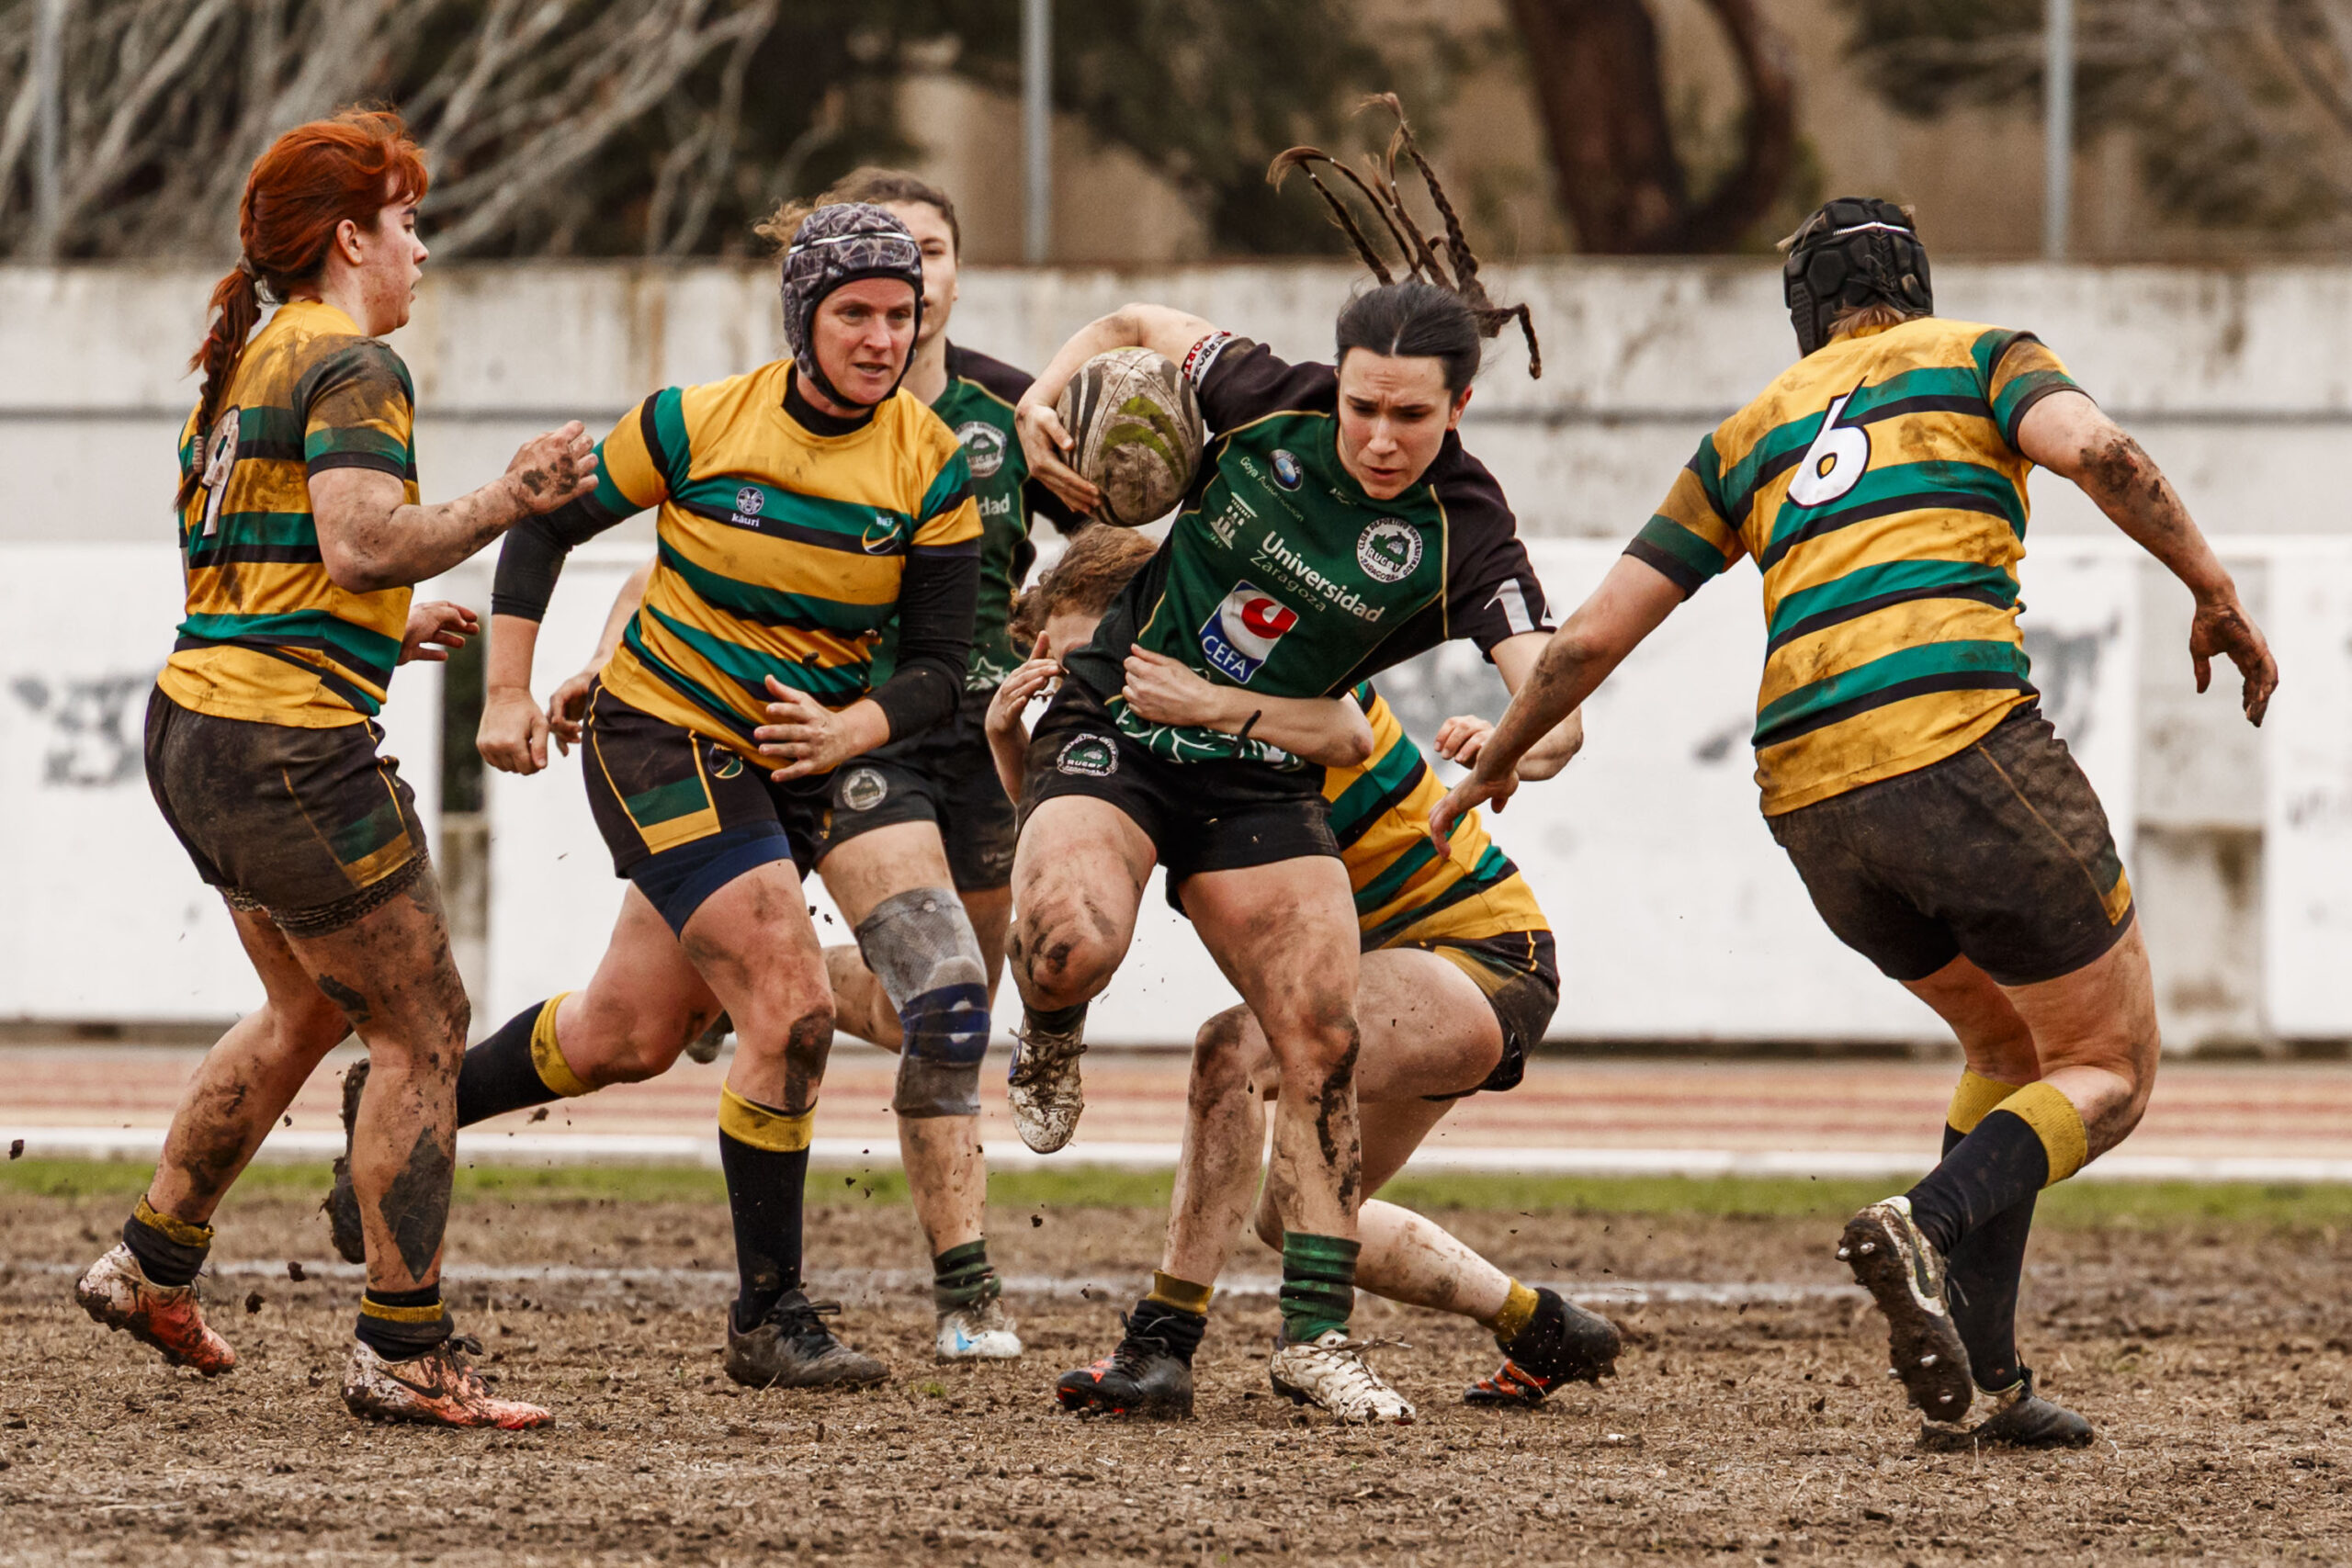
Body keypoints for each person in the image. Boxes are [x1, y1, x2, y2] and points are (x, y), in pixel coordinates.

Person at [1432, 198, 2280, 1448]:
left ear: (1803, 320)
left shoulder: (1749, 433)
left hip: (1811, 803)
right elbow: (2106, 454)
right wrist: (2213, 588)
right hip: (1961, 749)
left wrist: (1497, 757)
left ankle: (1988, 1377)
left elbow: (1597, 633)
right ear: (1918, 287)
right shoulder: (1985, 354)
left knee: (2003, 1040)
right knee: (2113, 1066)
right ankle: (1922, 1224)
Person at [1005, 102, 1556, 1422]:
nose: (1377, 436)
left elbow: (1552, 682)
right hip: (1124, 725)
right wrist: (1041, 395)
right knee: (1068, 937)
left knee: (1313, 1038)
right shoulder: (1267, 402)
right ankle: (1054, 1026)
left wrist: (1519, 735)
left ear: (1459, 406)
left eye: (1410, 417)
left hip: (1262, 785)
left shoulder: (1465, 526)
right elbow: (1137, 323)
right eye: (1362, 405)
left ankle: (1311, 1338)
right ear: (1336, 380)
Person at [75, 108, 596, 1428]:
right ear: (351, 237)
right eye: (409, 221)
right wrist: (513, 494)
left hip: (194, 728)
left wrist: (372, 628)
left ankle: (151, 1258)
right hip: (286, 750)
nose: (424, 248)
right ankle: (404, 1346)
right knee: (422, 1028)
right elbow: (362, 543)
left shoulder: (248, 359)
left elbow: (262, 569)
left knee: (307, 1009)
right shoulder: (352, 363)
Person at [425, 199, 980, 1392]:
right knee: (790, 1004)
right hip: (659, 731)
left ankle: (408, 1114)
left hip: (803, 758)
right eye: (856, 313)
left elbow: (942, 667)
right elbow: (544, 526)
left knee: (629, 1032)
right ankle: (769, 1315)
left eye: (902, 314)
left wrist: (856, 724)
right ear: (804, 315)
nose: (883, 337)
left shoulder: (934, 466)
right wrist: (506, 691)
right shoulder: (696, 421)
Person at [984, 535, 1622, 1420]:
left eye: (1090, 659)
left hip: (1480, 955)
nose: (1081, 689)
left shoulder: (1263, 681)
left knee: (1232, 1051)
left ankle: (1162, 1342)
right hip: (1388, 968)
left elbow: (1383, 733)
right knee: (1299, 1219)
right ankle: (1540, 1324)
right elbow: (1085, 856)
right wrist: (1016, 752)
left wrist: (1511, 749)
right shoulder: (1149, 719)